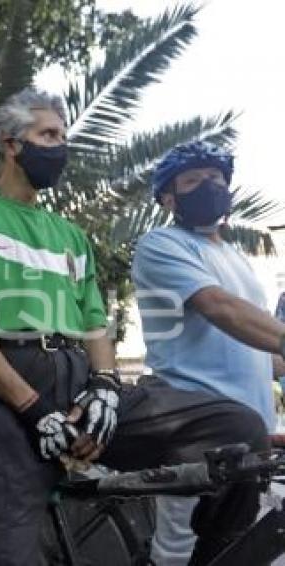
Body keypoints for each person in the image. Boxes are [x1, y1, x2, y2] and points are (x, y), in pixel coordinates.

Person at [0, 87, 272, 566]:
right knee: (0, 554)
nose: (60, 145)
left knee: (239, 429)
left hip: (80, 381)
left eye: (64, 135)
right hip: (5, 386)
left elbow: (94, 324)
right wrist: (33, 408)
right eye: (48, 134)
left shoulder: (71, 237)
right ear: (10, 144)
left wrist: (104, 386)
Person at [132, 141, 285, 565]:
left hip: (253, 434)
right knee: (182, 553)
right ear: (169, 197)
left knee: (251, 551)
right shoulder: (162, 245)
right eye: (193, 180)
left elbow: (256, 347)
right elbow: (220, 309)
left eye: (216, 179)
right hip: (195, 430)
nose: (209, 186)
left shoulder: (233, 255)